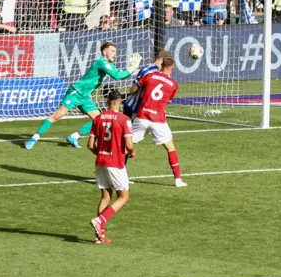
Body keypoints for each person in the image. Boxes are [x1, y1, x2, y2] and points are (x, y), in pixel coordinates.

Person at [25, 42, 141, 150]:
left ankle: (74, 136)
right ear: (105, 51)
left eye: (115, 51)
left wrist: (132, 69)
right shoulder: (101, 62)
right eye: (113, 51)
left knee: (98, 120)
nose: (115, 54)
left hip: (85, 97)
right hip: (76, 92)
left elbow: (119, 74)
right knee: (57, 116)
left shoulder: (109, 65)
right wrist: (130, 68)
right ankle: (35, 137)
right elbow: (117, 76)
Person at [131, 57, 187, 188]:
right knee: (170, 148)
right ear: (172, 68)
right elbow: (167, 100)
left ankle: (115, 173)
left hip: (142, 116)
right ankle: (177, 180)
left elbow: (134, 89)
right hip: (158, 120)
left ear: (161, 65)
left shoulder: (150, 76)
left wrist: (133, 93)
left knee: (125, 145)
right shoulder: (173, 84)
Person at [88, 89, 135, 244]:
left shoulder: (98, 118)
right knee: (123, 197)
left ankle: (99, 237)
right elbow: (129, 144)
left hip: (100, 161)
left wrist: (101, 153)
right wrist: (132, 152)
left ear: (107, 101)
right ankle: (100, 220)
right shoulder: (124, 119)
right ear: (120, 102)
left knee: (105, 196)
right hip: (115, 162)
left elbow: (90, 145)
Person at [123, 49, 170, 119]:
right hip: (138, 110)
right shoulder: (164, 75)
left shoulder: (146, 69)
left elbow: (132, 90)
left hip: (131, 106)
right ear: (164, 60)